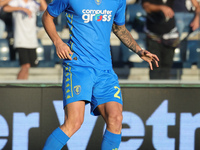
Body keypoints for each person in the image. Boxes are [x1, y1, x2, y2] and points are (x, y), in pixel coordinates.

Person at [42, 0, 159, 149]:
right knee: (74, 122)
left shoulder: (118, 1)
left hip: (105, 69)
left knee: (116, 119)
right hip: (79, 66)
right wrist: (58, 42)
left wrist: (138, 50)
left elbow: (119, 28)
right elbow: (47, 16)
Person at [3, 0, 47, 79]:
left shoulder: (33, 3)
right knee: (25, 65)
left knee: (29, 66)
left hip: (32, 39)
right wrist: (22, 9)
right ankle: (18, 87)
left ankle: (23, 85)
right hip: (21, 39)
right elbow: (5, 8)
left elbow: (45, 9)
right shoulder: (17, 1)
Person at [142, 0, 180, 79]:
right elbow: (146, 6)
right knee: (154, 66)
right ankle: (154, 89)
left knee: (167, 65)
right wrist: (161, 7)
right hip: (153, 36)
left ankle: (165, 89)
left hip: (170, 36)